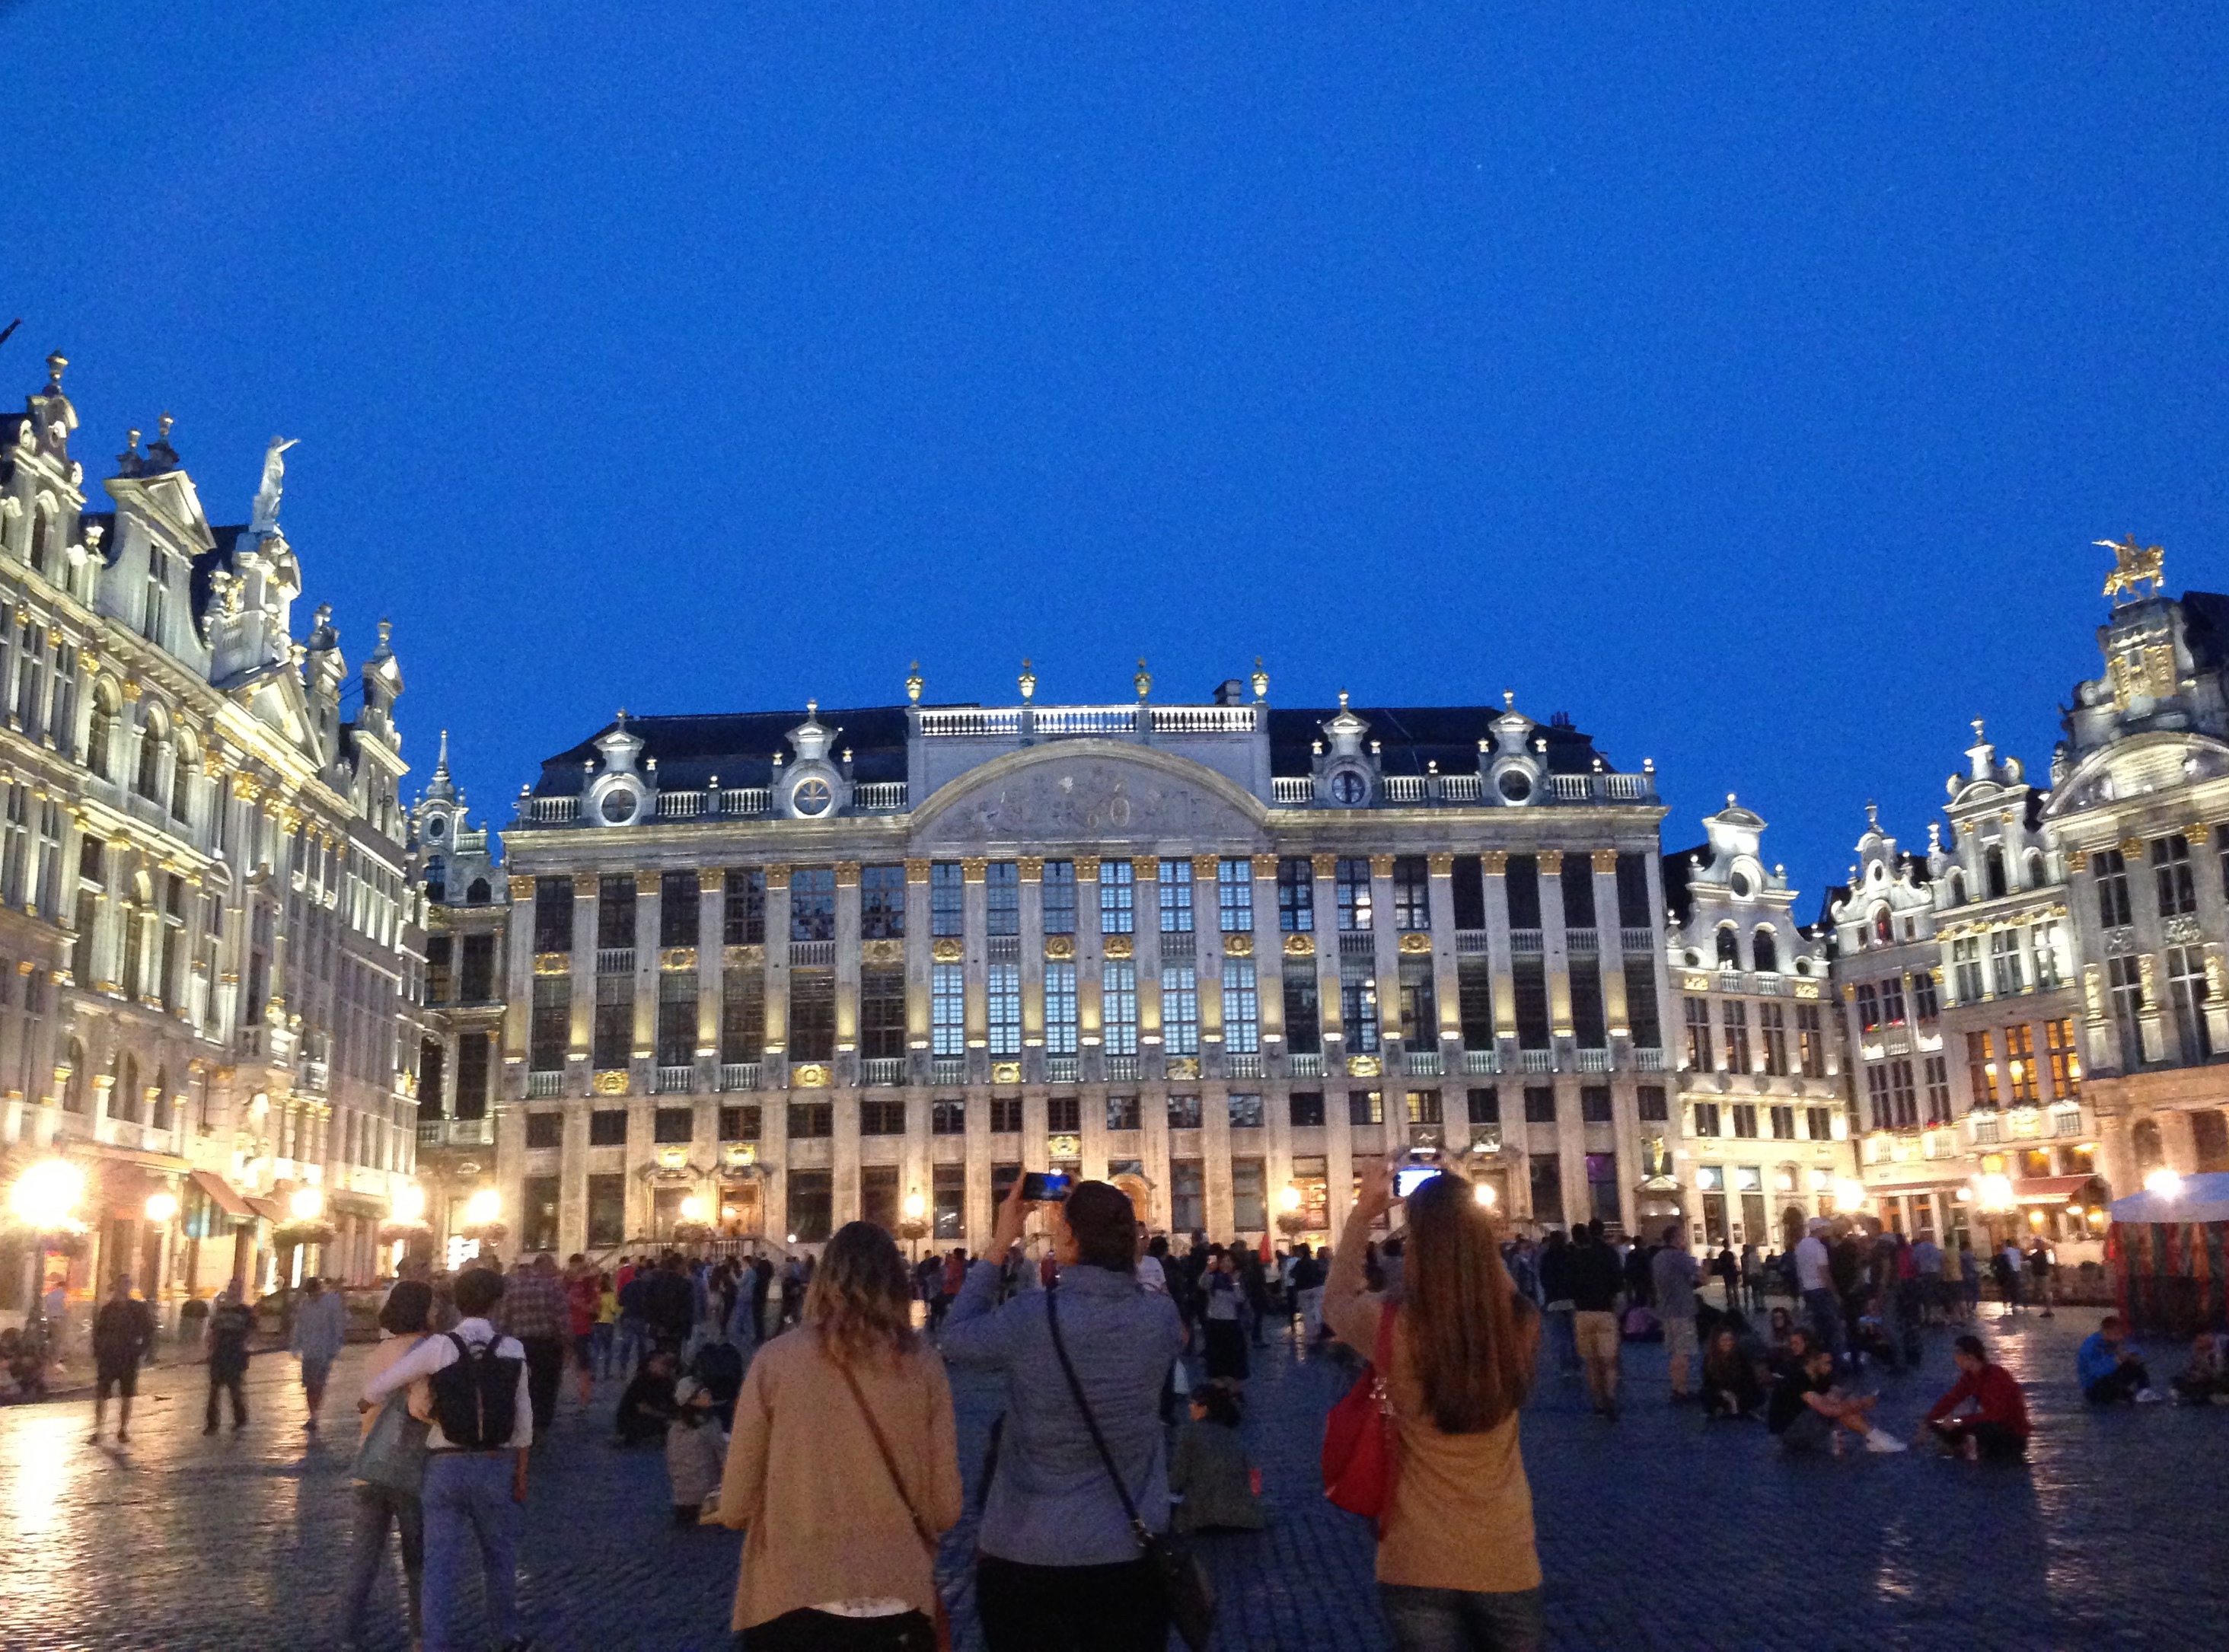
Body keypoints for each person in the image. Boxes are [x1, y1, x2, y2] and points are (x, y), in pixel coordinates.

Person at [940, 1178, 1185, 1652]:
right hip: (1127, 1554)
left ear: (1069, 1239)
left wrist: (1000, 1242)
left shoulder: (1030, 1317)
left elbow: (955, 1338)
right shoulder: (1160, 1319)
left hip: (1028, 1555)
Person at [1326, 1162, 1542, 1651]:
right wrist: (1470, 1214)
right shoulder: (1519, 1324)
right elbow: (1503, 1291)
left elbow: (1337, 1300)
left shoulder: (1390, 1327)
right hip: (1504, 1554)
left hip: (1415, 1555)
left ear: (1415, 1245)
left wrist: (1364, 1213)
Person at [716, 1220, 959, 1649]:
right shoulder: (924, 1367)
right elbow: (945, 1510)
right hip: (896, 1599)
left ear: (823, 1279)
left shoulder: (774, 1362)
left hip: (793, 1600)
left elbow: (734, 1507)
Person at [360, 1265, 533, 1652]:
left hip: (445, 1465)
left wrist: (366, 1402)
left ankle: (436, 1642)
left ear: (456, 1302)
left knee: (438, 1562)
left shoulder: (440, 1347)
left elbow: (380, 1386)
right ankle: (505, 1635)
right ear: (495, 1304)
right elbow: (523, 1421)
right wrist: (520, 1473)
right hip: (494, 1463)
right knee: (499, 1557)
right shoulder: (513, 1349)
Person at [341, 1280, 436, 1651]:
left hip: (370, 1461)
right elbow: (421, 1407)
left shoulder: (377, 1352)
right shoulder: (426, 1352)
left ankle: (348, 1636)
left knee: (362, 1560)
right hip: (409, 1467)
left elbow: (367, 1401)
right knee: (417, 1560)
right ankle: (418, 1636)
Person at [1919, 1334, 2032, 1461]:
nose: (1955, 1359)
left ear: (1970, 1357)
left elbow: (1995, 1416)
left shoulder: (1997, 1376)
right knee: (1942, 1425)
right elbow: (1951, 1398)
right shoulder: (1970, 1377)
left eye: (1958, 1354)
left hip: (2011, 1431)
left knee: (1981, 1427)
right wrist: (1929, 1421)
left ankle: (1971, 1446)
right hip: (1992, 1422)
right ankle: (1967, 1444)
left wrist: (1959, 1421)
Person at [1169, 1383, 1262, 1534]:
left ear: (1204, 1408)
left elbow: (1177, 1478)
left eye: (1192, 1404)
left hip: (1206, 1515)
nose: (1189, 1408)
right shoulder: (1230, 1434)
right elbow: (1253, 1475)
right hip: (1244, 1515)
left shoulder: (1189, 1433)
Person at [1768, 1344, 1893, 1456]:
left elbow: (1836, 1392)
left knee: (1842, 1402)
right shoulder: (1799, 1379)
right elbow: (1828, 1410)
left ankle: (1872, 1436)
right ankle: (1874, 1437)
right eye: (1826, 1363)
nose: (1830, 1367)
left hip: (1799, 1424)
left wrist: (1856, 1397)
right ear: (1813, 1362)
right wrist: (1862, 1403)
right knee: (1838, 1408)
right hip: (1789, 1434)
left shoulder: (1818, 1376)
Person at [498, 1252, 569, 1437]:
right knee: (547, 1386)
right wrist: (567, 1343)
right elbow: (562, 1319)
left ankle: (522, 1423)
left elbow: (504, 1320)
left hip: (519, 1345)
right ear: (545, 1266)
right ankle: (540, 1427)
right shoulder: (552, 1286)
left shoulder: (512, 1288)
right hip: (547, 1345)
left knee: (522, 1385)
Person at [88, 1274, 155, 1445]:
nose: (124, 1287)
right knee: (102, 1394)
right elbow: (99, 1331)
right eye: (122, 1284)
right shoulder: (107, 1309)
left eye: (127, 1284)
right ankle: (98, 1429)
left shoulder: (138, 1308)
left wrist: (141, 1350)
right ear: (117, 1286)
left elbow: (148, 1330)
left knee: (127, 1394)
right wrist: (98, 1351)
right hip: (109, 1356)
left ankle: (123, 1429)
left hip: (128, 1356)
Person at [1567, 1219, 1625, 1420]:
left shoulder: (1577, 1256)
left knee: (1591, 1363)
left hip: (1583, 1312)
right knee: (1609, 1361)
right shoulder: (1610, 1254)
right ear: (1603, 1231)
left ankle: (1598, 1404)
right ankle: (1610, 1394)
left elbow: (1570, 1285)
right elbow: (1619, 1286)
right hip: (1605, 1311)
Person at [292, 1274, 348, 1434]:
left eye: (313, 1292)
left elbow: (338, 1322)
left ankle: (314, 1416)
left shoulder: (330, 1302)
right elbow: (300, 1325)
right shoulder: (306, 1305)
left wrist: (336, 1346)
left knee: (318, 1383)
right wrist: (296, 1346)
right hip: (309, 1350)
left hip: (324, 1350)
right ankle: (312, 1414)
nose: (312, 1296)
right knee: (309, 1384)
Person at [1651, 1226, 1701, 1402]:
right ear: (1677, 1238)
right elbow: (1700, 1277)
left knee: (1674, 1352)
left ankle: (1676, 1387)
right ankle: (1682, 1389)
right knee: (1683, 1352)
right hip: (1682, 1309)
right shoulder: (1680, 1256)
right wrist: (1707, 1264)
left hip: (1666, 1310)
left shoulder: (1658, 1258)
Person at [2077, 1315, 2161, 1405]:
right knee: (2111, 1386)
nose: (2120, 1337)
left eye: (2121, 1333)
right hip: (2095, 1387)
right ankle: (2124, 1396)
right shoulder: (2092, 1346)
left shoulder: (2116, 1341)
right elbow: (2096, 1372)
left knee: (2136, 1366)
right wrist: (2116, 1361)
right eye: (2117, 1334)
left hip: (2112, 1379)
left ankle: (2144, 1391)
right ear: (2106, 1332)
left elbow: (2136, 1349)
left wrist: (2132, 1355)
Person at [206, 1283, 256, 1432]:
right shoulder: (221, 1310)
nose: (232, 1292)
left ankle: (240, 1420)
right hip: (220, 1352)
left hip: (235, 1352)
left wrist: (246, 1346)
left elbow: (252, 1330)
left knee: (235, 1388)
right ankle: (212, 1424)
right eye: (231, 1289)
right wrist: (210, 1347)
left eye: (235, 1289)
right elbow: (213, 1329)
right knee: (214, 1390)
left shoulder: (246, 1311)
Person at [1794, 1219, 1844, 1367]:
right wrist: (1835, 1293)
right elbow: (1824, 1272)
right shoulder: (1819, 1247)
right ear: (1819, 1230)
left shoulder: (1801, 1245)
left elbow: (1799, 1270)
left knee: (1817, 1328)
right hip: (1820, 1290)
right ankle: (1833, 1362)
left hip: (1807, 1290)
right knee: (1831, 1329)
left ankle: (1817, 1360)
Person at [615, 1346, 681, 1446]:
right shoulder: (642, 1381)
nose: (666, 1368)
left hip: (654, 1417)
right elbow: (644, 1409)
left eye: (670, 1365)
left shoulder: (666, 1382)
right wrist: (667, 1418)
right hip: (634, 1421)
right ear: (651, 1364)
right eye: (663, 1364)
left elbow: (673, 1403)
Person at [1201, 1249, 1248, 1388]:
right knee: (1217, 1360)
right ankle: (1219, 1389)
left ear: (1234, 1263)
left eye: (1229, 1261)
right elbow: (1202, 1284)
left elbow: (1240, 1298)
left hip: (1232, 1324)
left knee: (1235, 1360)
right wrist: (1208, 1270)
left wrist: (1234, 1283)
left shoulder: (1238, 1278)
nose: (1226, 1264)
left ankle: (1235, 1389)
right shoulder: (1213, 1277)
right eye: (1223, 1261)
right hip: (1215, 1323)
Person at [1536, 1231, 1579, 1375]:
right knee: (1573, 1333)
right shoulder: (1571, 1255)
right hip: (1571, 1298)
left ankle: (1565, 1366)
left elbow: (1543, 1278)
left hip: (1554, 1299)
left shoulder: (1546, 1258)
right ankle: (1576, 1363)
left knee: (1560, 1335)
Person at [1699, 1326, 1764, 1421]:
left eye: (1730, 1340)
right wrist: (1722, 1393)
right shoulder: (1709, 1360)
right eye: (1724, 1340)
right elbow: (1708, 1382)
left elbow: (1749, 1379)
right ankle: (1723, 1408)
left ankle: (1735, 1408)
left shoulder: (1740, 1357)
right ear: (1716, 1343)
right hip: (1721, 1393)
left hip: (1739, 1391)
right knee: (1705, 1394)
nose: (1728, 1343)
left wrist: (1736, 1394)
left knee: (1757, 1394)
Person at [566, 1255, 602, 1405]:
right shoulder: (572, 1282)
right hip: (573, 1327)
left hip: (577, 1328)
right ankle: (583, 1397)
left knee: (582, 1363)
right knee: (578, 1362)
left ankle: (584, 1396)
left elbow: (596, 1303)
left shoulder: (586, 1283)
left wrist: (587, 1308)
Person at [2170, 1334, 2227, 1404]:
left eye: (2201, 1349)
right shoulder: (2195, 1358)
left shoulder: (2215, 1357)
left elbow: (2218, 1373)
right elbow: (2188, 1371)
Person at [1291, 1243, 1328, 1344]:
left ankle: (1311, 1336)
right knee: (1317, 1310)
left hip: (1304, 1290)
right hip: (1317, 1288)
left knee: (1307, 1313)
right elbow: (1322, 1273)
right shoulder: (1315, 1263)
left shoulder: (1299, 1264)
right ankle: (1319, 1331)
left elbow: (1292, 1274)